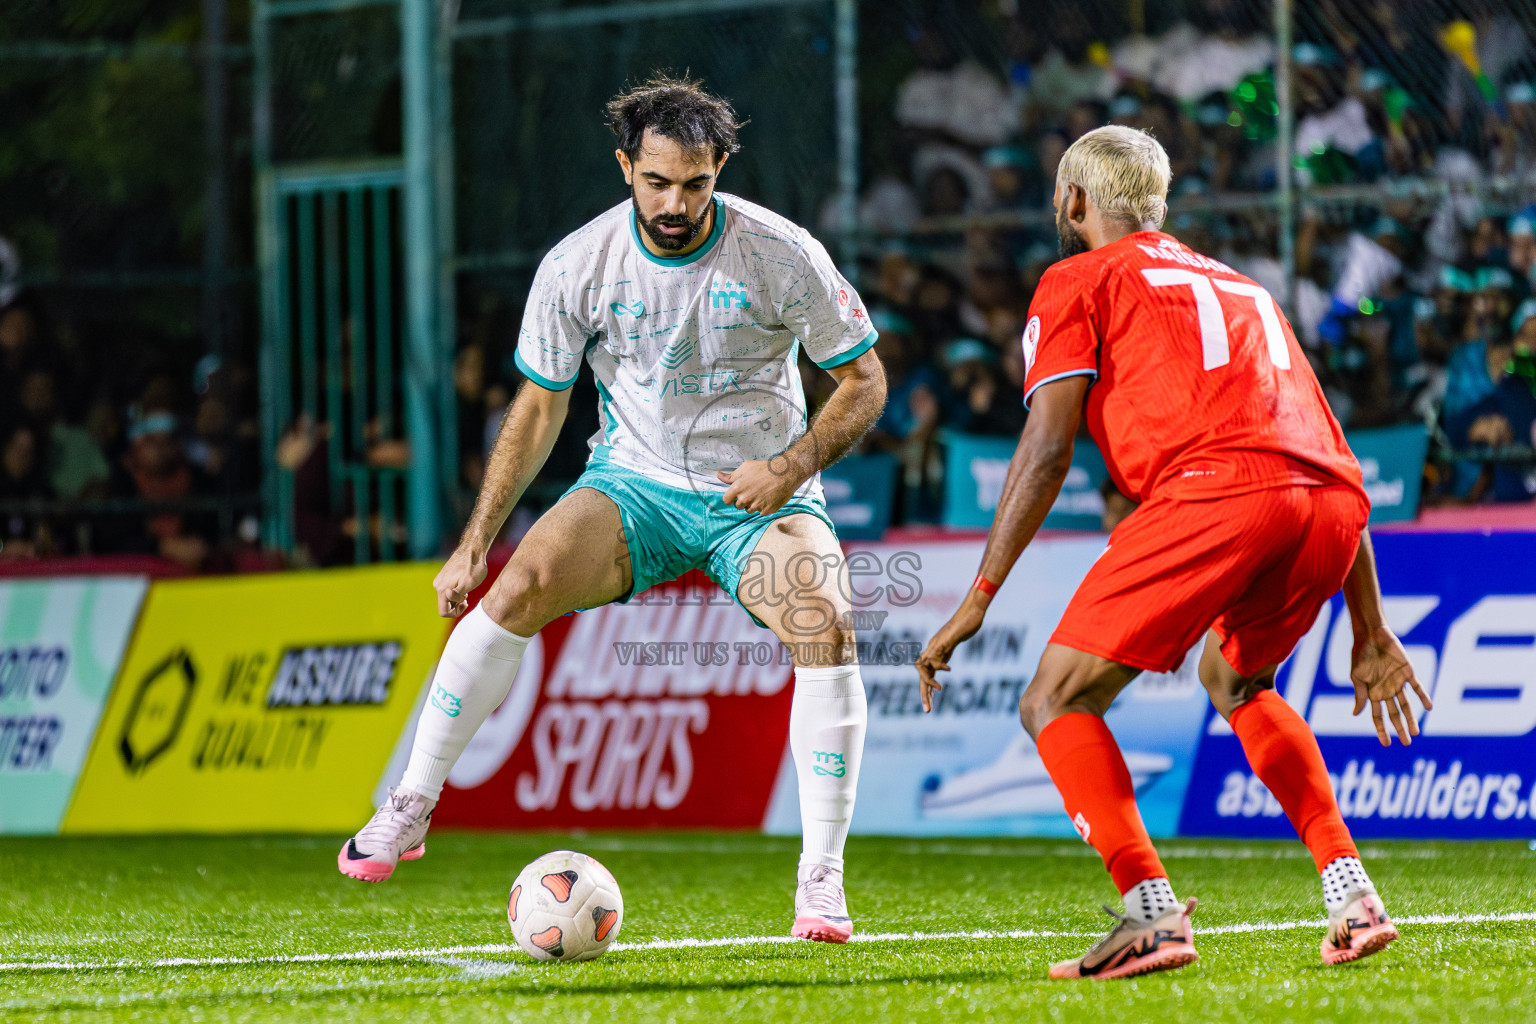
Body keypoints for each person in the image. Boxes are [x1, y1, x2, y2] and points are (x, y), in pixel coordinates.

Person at [339, 75, 886, 945]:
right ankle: (411, 804)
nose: (677, 203)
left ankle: (820, 879)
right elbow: (539, 408)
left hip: (757, 496)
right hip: (633, 487)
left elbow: (864, 379)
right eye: (658, 181)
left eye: (697, 183)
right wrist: (474, 542)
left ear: (720, 169)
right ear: (625, 165)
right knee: (515, 590)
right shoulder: (578, 262)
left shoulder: (780, 252)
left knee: (825, 618)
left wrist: (791, 466)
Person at [917, 126, 1429, 980]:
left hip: (1216, 491)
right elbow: (1322, 452)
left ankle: (1148, 911)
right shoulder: (1243, 286)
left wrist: (977, 598)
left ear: (1075, 201)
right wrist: (1369, 629)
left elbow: (1047, 449)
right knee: (1236, 681)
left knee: (1055, 700)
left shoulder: (1077, 277)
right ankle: (1351, 891)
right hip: (1331, 507)